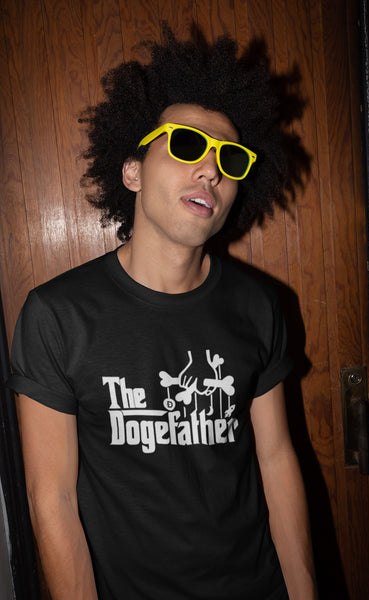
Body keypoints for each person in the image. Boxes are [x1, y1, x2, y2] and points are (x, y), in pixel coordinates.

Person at [8, 27, 317, 600]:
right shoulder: (58, 316)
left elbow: (276, 461)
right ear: (132, 171)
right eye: (187, 145)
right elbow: (52, 499)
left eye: (229, 158)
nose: (211, 170)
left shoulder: (258, 306)